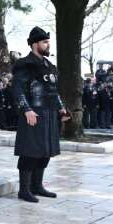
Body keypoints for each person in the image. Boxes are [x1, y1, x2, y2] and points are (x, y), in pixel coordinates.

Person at [12, 27, 69, 203]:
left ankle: (37, 186)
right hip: (33, 113)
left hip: (49, 113)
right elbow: (18, 89)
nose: (47, 44)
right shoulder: (25, 64)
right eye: (45, 42)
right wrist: (26, 109)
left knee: (45, 152)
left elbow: (53, 91)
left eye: (48, 42)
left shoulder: (48, 65)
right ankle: (24, 190)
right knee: (30, 152)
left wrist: (61, 108)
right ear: (35, 44)